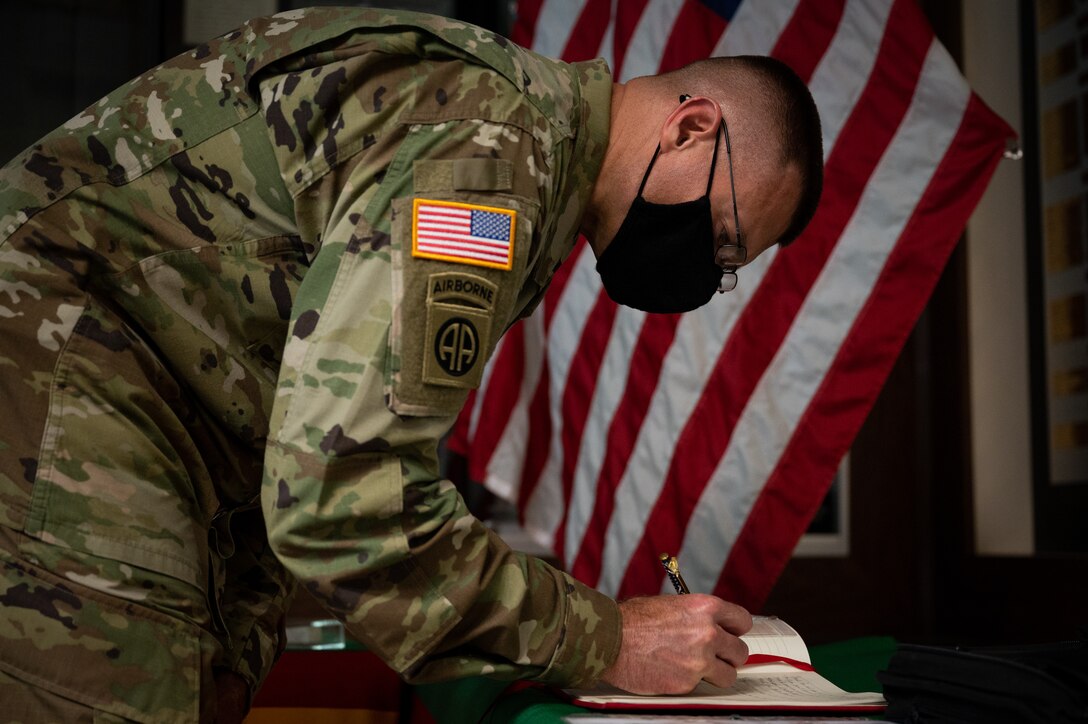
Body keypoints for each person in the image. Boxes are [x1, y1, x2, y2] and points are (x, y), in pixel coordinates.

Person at [0, 6, 822, 722]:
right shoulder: (490, 157)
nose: (709, 273)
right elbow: (342, 493)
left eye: (727, 267)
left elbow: (272, 416)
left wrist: (227, 643)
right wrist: (608, 639)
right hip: (64, 374)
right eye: (722, 237)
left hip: (130, 407)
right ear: (691, 126)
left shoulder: (521, 141)